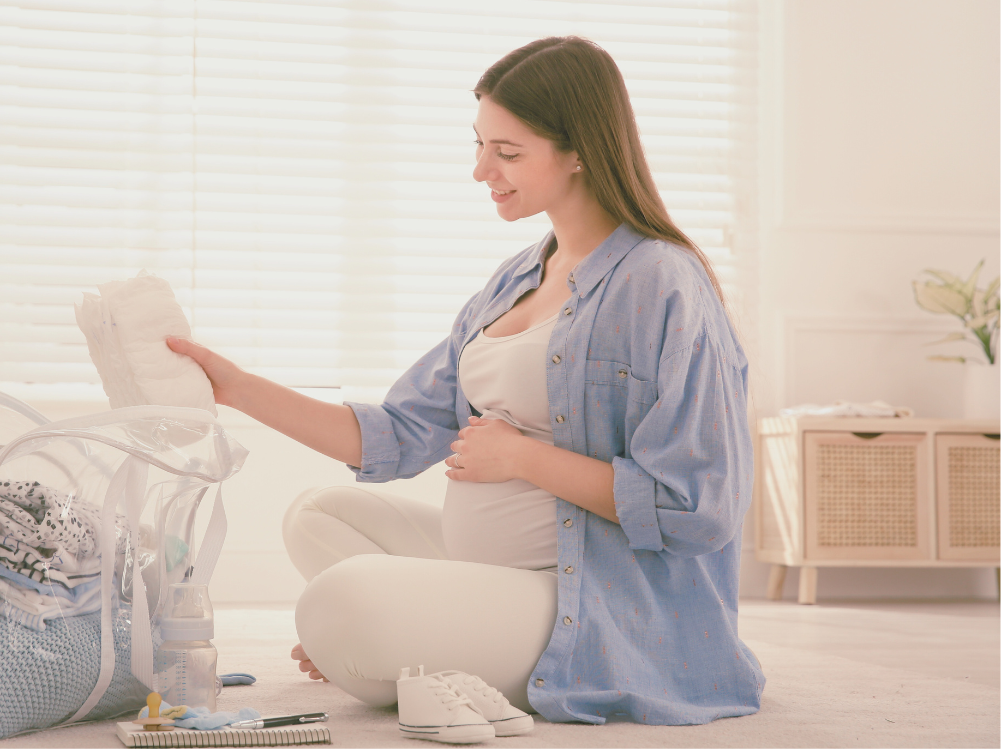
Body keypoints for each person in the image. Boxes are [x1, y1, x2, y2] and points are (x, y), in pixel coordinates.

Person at [167, 35, 765, 726]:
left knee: (342, 603)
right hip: (492, 571)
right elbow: (393, 435)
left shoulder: (661, 282)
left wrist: (522, 459)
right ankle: (418, 641)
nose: (482, 169)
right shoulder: (515, 277)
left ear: (580, 151)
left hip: (591, 592)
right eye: (480, 144)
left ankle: (401, 640)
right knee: (316, 516)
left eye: (508, 153)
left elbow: (699, 506)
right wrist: (235, 386)